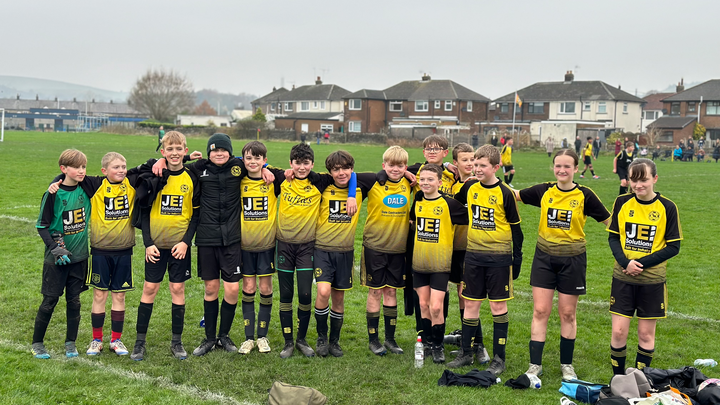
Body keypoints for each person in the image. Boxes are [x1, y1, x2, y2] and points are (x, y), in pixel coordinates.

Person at [152, 133, 273, 357]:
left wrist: (266, 168)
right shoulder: (199, 168)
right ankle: (209, 338)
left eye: (223, 150)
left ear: (230, 152)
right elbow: (174, 163)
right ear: (209, 153)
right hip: (207, 239)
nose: (219, 154)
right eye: (214, 150)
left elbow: (254, 163)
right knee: (211, 289)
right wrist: (160, 160)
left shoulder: (238, 166)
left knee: (232, 289)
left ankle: (223, 335)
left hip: (232, 240)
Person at [515, 149, 611, 381]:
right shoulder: (544, 191)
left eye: (567, 166)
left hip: (573, 260)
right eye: (558, 165)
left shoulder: (585, 195)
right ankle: (534, 366)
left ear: (576, 169)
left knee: (567, 313)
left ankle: (567, 365)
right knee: (540, 311)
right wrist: (481, 179)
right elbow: (514, 195)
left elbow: (610, 221)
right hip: (544, 258)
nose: (562, 170)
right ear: (553, 167)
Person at [48, 152, 149, 357]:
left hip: (124, 250)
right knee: (100, 294)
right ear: (104, 171)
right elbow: (70, 175)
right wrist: (54, 182)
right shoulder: (95, 184)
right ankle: (96, 340)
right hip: (100, 251)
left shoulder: (130, 181)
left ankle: (116, 340)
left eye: (123, 166)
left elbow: (152, 166)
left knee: (119, 295)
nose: (121, 170)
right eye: (116, 167)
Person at [448, 145, 523, 377]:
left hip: (498, 259)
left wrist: (516, 259)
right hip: (473, 257)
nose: (477, 169)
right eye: (475, 165)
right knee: (470, 304)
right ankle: (466, 352)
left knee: (497, 307)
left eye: (482, 165)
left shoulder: (505, 193)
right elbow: (454, 205)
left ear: (496, 167)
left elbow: (517, 230)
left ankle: (499, 359)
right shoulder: (470, 187)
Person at [276, 143, 356, 359]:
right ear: (290, 163)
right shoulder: (281, 178)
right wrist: (265, 167)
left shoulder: (320, 181)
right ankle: (288, 342)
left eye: (306, 163)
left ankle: (301, 340)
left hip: (307, 247)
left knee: (305, 294)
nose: (301, 167)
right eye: (297, 163)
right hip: (284, 246)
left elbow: (351, 174)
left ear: (312, 164)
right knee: (286, 295)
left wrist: (351, 195)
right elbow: (248, 164)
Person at [608, 158, 682, 374]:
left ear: (655, 179)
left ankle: (641, 381)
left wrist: (639, 264)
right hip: (623, 278)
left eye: (644, 180)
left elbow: (673, 246)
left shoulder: (668, 207)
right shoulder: (622, 202)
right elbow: (613, 237)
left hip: (652, 281)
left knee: (646, 335)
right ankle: (618, 380)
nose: (638, 185)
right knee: (619, 332)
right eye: (634, 180)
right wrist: (625, 263)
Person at [132, 131, 199, 361]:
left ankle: (177, 342)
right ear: (163, 152)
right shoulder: (154, 174)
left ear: (185, 151)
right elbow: (144, 211)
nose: (174, 153)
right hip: (156, 246)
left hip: (179, 247)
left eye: (179, 149)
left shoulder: (191, 177)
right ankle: (139, 343)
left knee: (177, 289)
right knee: (149, 289)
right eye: (169, 149)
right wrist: (148, 243)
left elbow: (195, 215)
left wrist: (185, 242)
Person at [32, 149, 91, 359]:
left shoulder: (87, 188)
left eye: (84, 167)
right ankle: (37, 343)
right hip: (56, 260)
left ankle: (70, 343)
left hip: (79, 258)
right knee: (50, 301)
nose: (81, 171)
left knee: (74, 301)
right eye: (76, 167)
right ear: (63, 168)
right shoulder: (53, 193)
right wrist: (55, 248)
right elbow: (42, 226)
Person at [409, 164, 468, 364]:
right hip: (419, 262)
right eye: (422, 179)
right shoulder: (417, 201)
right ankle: (428, 344)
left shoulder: (449, 204)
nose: (425, 183)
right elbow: (412, 221)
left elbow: (470, 218)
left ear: (439, 182)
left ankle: (438, 346)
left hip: (440, 264)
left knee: (436, 307)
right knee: (423, 305)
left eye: (430, 179)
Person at [361, 146, 415, 356]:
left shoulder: (410, 183)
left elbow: (431, 170)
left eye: (400, 166)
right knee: (375, 291)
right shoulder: (373, 181)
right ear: (384, 165)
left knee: (391, 291)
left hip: (398, 248)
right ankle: (373, 340)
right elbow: (350, 176)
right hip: (375, 246)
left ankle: (390, 339)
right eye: (391, 165)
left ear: (406, 167)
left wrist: (409, 174)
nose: (395, 169)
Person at [313, 151, 366, 358]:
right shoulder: (323, 186)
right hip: (322, 249)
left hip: (345, 252)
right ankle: (321, 337)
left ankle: (334, 341)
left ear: (352, 169)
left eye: (345, 168)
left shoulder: (361, 187)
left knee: (338, 297)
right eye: (336, 169)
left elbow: (387, 173)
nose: (341, 173)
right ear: (330, 172)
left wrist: (352, 195)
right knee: (323, 291)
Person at [237, 141, 285, 355]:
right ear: (243, 160)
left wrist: (267, 169)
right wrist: (263, 167)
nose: (253, 162)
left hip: (266, 246)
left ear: (264, 160)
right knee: (248, 288)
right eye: (248, 158)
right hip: (245, 246)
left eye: (258, 158)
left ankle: (262, 337)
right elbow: (227, 160)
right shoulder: (238, 179)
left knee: (265, 289)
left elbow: (292, 172)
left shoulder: (274, 181)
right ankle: (248, 338)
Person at [444, 143, 488, 361]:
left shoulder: (479, 185)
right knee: (457, 296)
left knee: (467, 297)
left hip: (470, 248)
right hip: (448, 247)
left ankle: (478, 346)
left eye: (473, 160)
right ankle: (465, 341)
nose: (470, 164)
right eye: (465, 160)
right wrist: (445, 165)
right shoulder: (451, 184)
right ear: (455, 163)